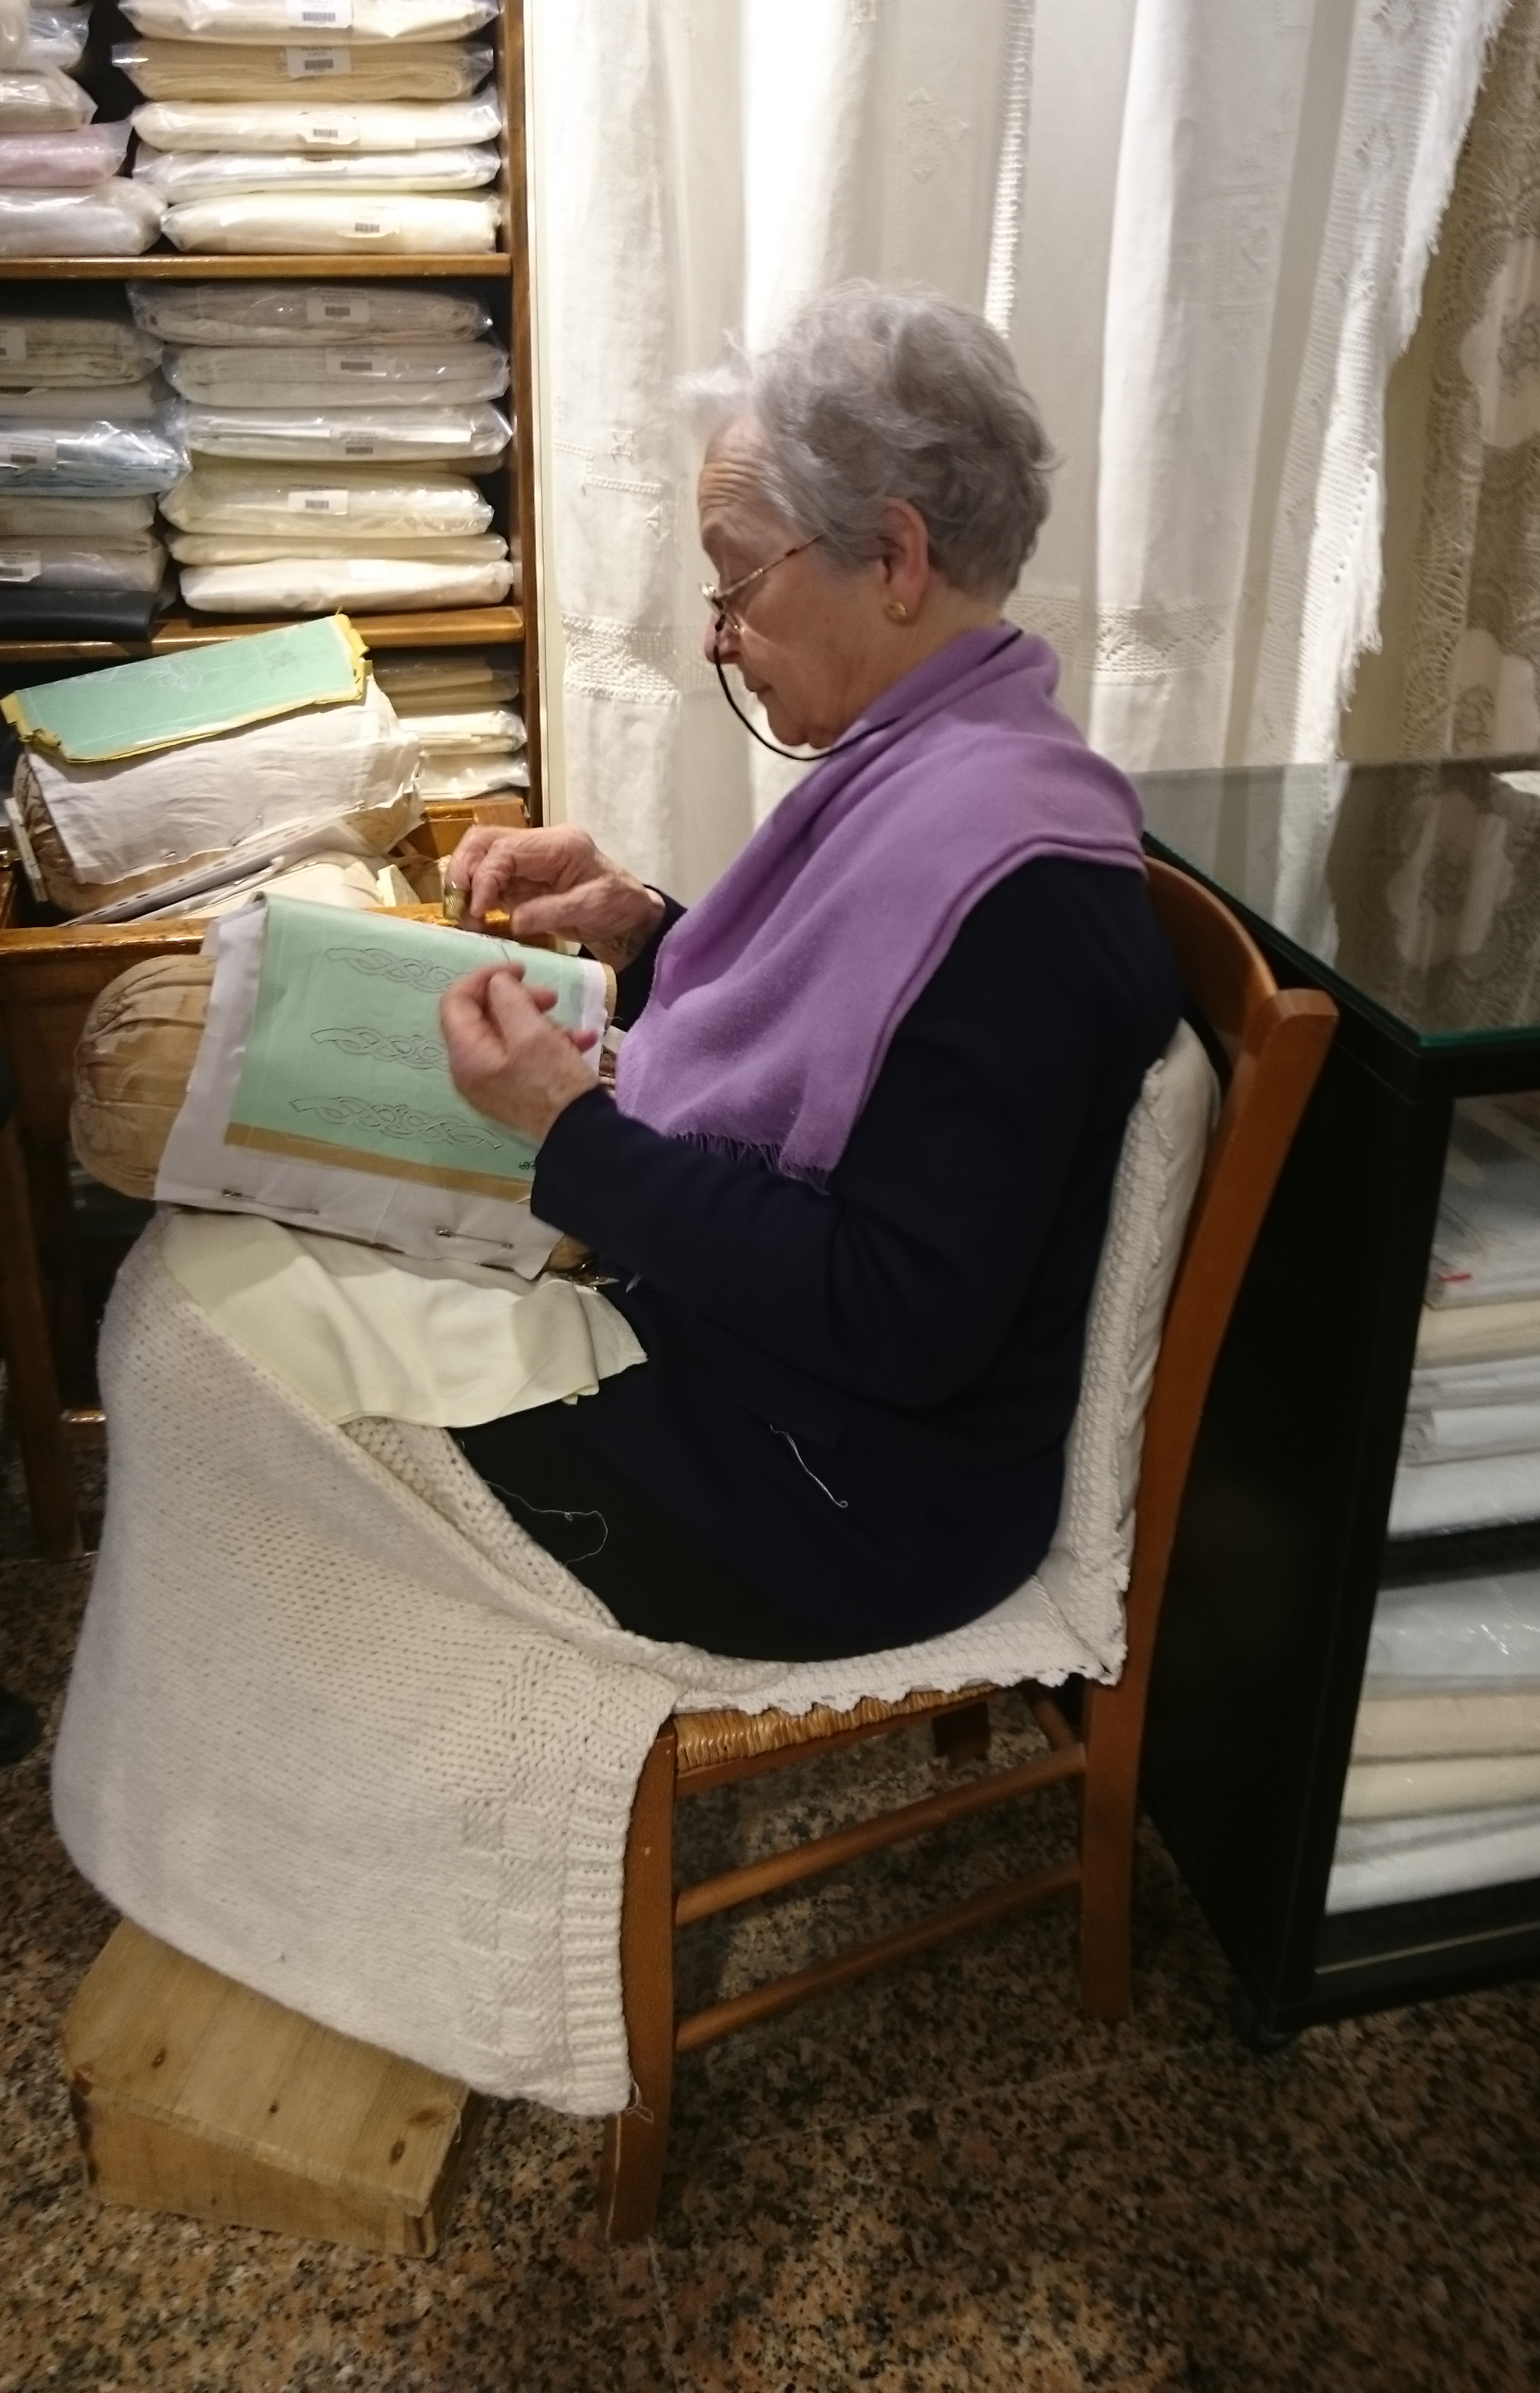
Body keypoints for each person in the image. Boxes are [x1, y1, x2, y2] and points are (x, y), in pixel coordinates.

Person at [438, 283, 1181, 1661]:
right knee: (322, 1290)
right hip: (800, 1407)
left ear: (892, 557)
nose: (719, 633)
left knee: (233, 1357)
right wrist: (642, 936)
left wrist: (572, 1131)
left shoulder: (1010, 883)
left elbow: (898, 1316)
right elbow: (861, 1068)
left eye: (735, 579)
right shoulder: (963, 768)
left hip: (847, 1504)